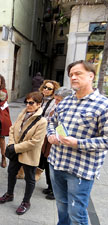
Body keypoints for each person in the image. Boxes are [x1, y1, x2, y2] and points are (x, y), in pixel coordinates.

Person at [47, 60, 108, 225]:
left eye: (78, 73)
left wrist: (78, 143)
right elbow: (52, 123)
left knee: (77, 214)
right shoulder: (65, 101)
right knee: (61, 206)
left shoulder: (103, 105)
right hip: (56, 163)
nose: (73, 77)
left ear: (91, 76)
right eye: (71, 74)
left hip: (81, 170)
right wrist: (51, 135)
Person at [0, 91, 47, 215]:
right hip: (16, 151)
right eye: (26, 102)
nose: (28, 105)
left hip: (29, 154)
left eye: (31, 103)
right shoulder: (23, 113)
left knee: (30, 178)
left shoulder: (42, 121)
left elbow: (35, 142)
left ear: (39, 104)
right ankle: (9, 194)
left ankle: (26, 202)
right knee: (11, 173)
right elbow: (13, 128)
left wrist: (15, 147)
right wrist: (11, 144)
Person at [17, 79, 60, 180]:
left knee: (41, 153)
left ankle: (38, 172)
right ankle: (22, 170)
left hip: (44, 130)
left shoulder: (54, 102)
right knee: (25, 148)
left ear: (53, 90)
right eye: (45, 87)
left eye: (49, 88)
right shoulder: (38, 97)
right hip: (31, 127)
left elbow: (53, 118)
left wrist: (42, 121)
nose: (46, 90)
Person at [41, 87, 72, 200]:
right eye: (56, 99)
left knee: (55, 168)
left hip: (61, 143)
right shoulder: (57, 109)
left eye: (59, 100)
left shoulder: (69, 111)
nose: (56, 102)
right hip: (49, 139)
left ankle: (56, 190)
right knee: (46, 162)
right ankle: (50, 186)